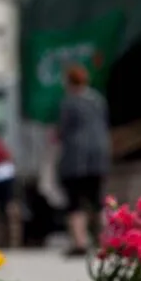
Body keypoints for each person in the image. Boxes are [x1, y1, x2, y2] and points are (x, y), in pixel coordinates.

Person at [57, 64, 111, 256]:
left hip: (75, 159)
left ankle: (80, 242)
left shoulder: (69, 102)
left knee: (75, 201)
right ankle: (107, 241)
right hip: (98, 156)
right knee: (98, 200)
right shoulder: (98, 100)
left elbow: (63, 131)